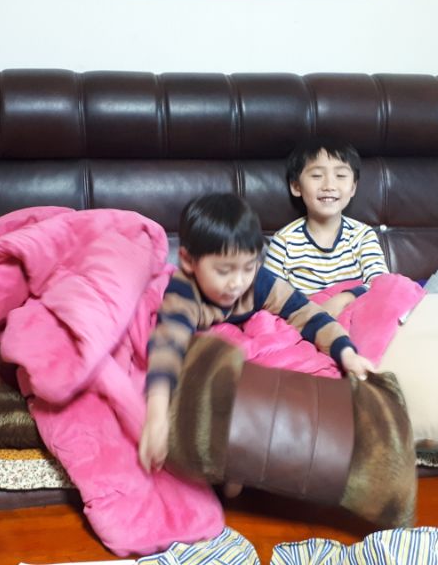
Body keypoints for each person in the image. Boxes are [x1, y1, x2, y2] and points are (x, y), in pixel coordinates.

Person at [138, 192, 376, 473]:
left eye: (248, 267)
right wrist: (156, 415)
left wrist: (346, 353)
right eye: (224, 271)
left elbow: (307, 313)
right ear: (189, 261)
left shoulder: (259, 281)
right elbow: (168, 345)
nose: (237, 282)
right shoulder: (183, 291)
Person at [265, 138, 389, 317]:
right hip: (307, 320)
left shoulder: (362, 236)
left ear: (353, 187)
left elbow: (381, 283)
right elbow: (269, 296)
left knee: (400, 287)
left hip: (354, 315)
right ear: (296, 186)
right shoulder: (284, 241)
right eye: (317, 176)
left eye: (340, 176)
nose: (329, 186)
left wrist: (343, 298)